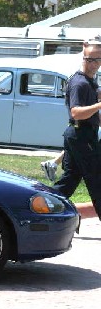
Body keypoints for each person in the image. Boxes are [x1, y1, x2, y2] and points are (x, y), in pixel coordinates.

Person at [53, 40, 101, 219]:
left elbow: (93, 105)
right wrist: (99, 105)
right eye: (91, 60)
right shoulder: (80, 83)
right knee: (97, 179)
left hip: (79, 134)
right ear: (84, 59)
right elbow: (76, 112)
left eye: (97, 60)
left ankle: (42, 206)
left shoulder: (90, 81)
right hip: (81, 135)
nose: (94, 64)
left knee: (70, 180)